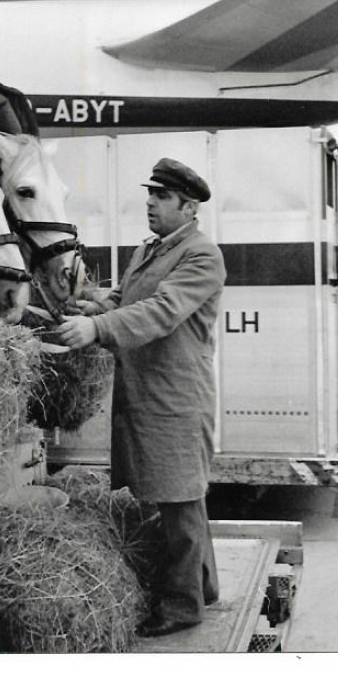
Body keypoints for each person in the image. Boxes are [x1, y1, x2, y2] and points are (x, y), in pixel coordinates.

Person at [54, 157, 226, 638]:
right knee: (175, 497)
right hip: (149, 392)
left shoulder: (202, 255)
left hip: (175, 397)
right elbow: (132, 297)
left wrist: (97, 328)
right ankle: (203, 587)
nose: (149, 202)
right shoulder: (153, 249)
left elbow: (164, 310)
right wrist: (97, 304)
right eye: (150, 194)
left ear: (188, 207)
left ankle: (180, 606)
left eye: (161, 197)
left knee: (177, 498)